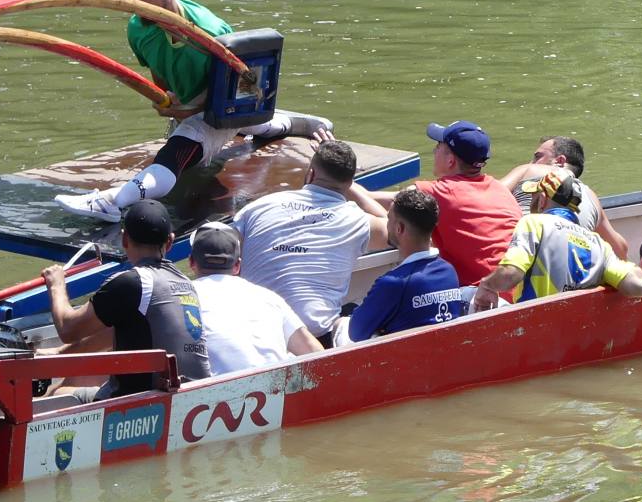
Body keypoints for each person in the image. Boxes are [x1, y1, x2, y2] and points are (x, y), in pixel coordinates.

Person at [55, 0, 333, 220]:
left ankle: (111, 203)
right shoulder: (137, 27)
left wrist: (190, 110)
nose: (136, 4)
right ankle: (295, 123)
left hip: (218, 104)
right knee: (228, 132)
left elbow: (236, 92)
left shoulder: (213, 33)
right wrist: (166, 98)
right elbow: (156, 65)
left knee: (173, 156)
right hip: (195, 106)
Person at [41, 200, 211, 398]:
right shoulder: (187, 285)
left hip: (145, 401)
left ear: (124, 239)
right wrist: (61, 353)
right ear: (170, 242)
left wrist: (56, 284)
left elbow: (68, 329)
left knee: (58, 393)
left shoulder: (132, 283)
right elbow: (111, 332)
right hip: (195, 394)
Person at [233, 139, 389, 343]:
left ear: (311, 173)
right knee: (350, 314)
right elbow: (395, 228)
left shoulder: (256, 208)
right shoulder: (357, 220)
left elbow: (227, 251)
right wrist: (355, 190)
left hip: (254, 333)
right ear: (349, 183)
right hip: (315, 336)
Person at [470, 169, 642, 309]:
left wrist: (487, 285)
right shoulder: (599, 244)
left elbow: (511, 274)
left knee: (467, 297)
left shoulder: (534, 223)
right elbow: (636, 286)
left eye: (534, 195)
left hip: (533, 328)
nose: (531, 201)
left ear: (542, 200)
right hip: (577, 330)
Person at [376, 121, 520, 286]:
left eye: (438, 146)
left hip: (482, 294)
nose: (434, 150)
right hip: (519, 291)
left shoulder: (441, 192)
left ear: (451, 161)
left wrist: (350, 186)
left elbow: (392, 203)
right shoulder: (500, 189)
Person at [186, 221, 322, 373]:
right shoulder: (269, 298)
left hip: (219, 387)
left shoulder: (180, 299)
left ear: (191, 262)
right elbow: (314, 351)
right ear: (237, 266)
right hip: (277, 384)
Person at [343, 188, 475, 343]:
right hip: (443, 351)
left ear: (399, 228)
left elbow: (355, 333)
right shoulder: (449, 272)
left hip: (402, 356)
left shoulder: (392, 283)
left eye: (389, 219)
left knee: (341, 323)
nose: (386, 224)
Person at [499, 135, 628, 259]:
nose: (532, 162)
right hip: (569, 269)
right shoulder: (592, 197)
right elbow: (621, 250)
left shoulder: (529, 169)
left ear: (560, 161)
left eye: (538, 157)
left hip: (516, 259)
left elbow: (489, 193)